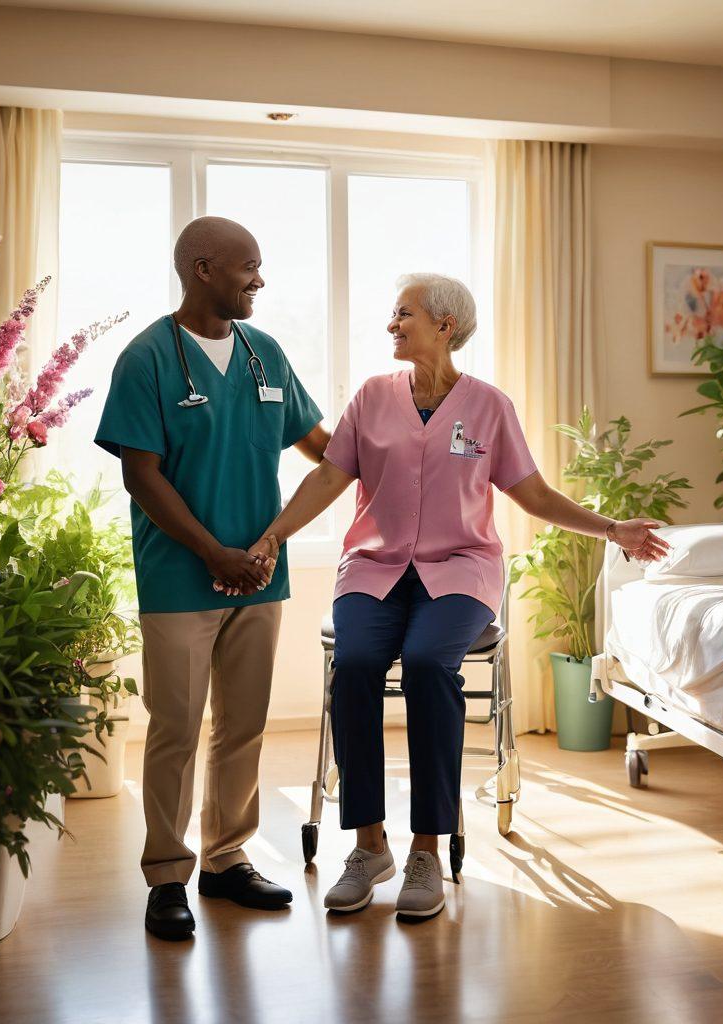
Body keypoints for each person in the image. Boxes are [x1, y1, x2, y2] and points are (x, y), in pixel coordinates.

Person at [250, 272, 669, 920]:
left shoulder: (489, 406)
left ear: (445, 326)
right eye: (393, 314)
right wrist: (273, 536)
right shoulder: (372, 397)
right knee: (355, 666)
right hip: (374, 568)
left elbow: (533, 494)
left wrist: (612, 528)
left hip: (461, 571)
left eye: (404, 314)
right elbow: (330, 478)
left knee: (426, 664)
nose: (392, 325)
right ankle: (369, 846)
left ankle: (425, 849)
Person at [95, 216, 328, 941]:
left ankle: (227, 858)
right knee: (175, 729)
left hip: (260, 572)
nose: (260, 279)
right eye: (247, 266)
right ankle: (168, 874)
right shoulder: (147, 358)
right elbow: (141, 476)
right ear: (202, 269)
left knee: (244, 725)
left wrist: (402, 437)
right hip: (180, 577)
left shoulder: (266, 354)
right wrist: (210, 552)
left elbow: (324, 448)